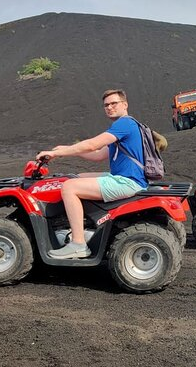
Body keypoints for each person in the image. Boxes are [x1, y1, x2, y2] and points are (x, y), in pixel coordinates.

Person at [36, 89, 148, 259]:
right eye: (106, 105)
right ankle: (85, 225)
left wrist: (58, 153)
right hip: (124, 177)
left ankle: (78, 243)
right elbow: (98, 155)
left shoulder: (124, 124)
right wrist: (65, 149)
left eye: (114, 103)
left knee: (69, 187)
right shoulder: (126, 126)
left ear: (125, 105)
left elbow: (92, 145)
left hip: (127, 181)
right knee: (77, 177)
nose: (109, 107)